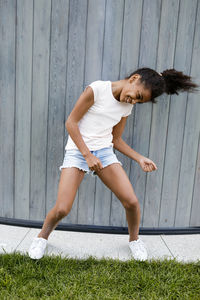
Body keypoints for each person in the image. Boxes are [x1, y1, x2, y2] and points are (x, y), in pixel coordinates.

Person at [28, 67, 198, 261]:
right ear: (134, 79)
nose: (133, 101)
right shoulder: (97, 89)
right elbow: (71, 123)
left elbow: (116, 139)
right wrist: (87, 156)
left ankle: (134, 241)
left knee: (131, 202)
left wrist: (140, 158)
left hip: (104, 152)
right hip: (78, 151)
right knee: (62, 209)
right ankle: (41, 237)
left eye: (139, 101)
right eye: (137, 95)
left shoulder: (127, 106)